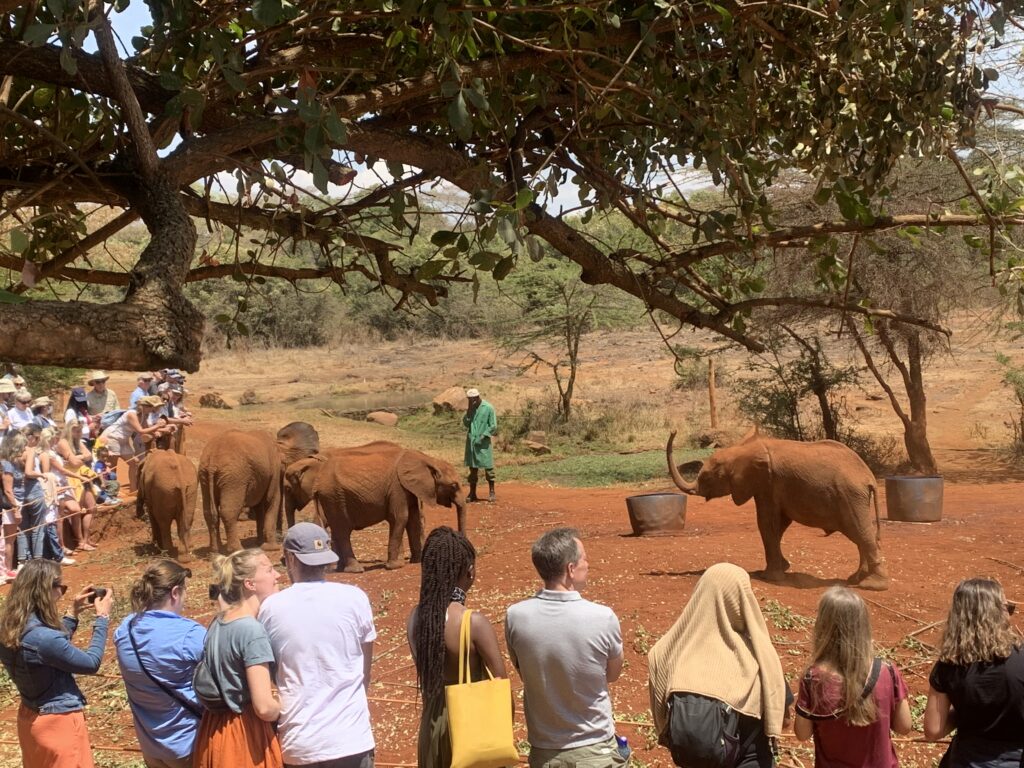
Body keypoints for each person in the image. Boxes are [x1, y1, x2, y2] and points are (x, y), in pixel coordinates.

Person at [648, 562, 790, 768]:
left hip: (694, 760)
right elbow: (783, 721)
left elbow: (662, 722)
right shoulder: (759, 655)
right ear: (742, 600)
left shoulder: (665, 651)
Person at [505, 527, 626, 767]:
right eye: (584, 559)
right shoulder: (602, 617)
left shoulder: (515, 616)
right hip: (595, 749)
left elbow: (524, 671)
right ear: (570, 569)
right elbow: (612, 674)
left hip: (544, 752)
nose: (588, 564)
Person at [260, 522, 377, 768]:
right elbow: (365, 673)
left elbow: (271, 670)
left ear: (290, 559)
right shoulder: (355, 598)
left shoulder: (271, 608)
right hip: (352, 737)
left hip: (301, 744)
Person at [407, 526, 507, 768]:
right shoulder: (473, 622)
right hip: (470, 726)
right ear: (470, 572)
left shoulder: (416, 618)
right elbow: (500, 681)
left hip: (432, 724)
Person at [0, 559, 114, 768]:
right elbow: (91, 663)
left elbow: (50, 650)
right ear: (45, 590)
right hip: (59, 723)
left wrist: (73, 613)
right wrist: (102, 617)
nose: (62, 591)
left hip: (30, 719)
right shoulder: (44, 639)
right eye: (60, 586)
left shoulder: (9, 627)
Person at [794, 586, 912, 766]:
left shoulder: (813, 678)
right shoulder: (887, 670)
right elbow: (904, 727)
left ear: (822, 627)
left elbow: (802, 734)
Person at [193, 548, 283, 768]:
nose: (278, 575)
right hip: (244, 737)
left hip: (214, 731)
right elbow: (263, 707)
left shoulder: (219, 622)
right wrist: (283, 705)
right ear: (250, 584)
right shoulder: (252, 631)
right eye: (270, 570)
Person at [114, 560, 206, 768]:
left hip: (150, 746)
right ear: (175, 592)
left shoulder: (124, 629)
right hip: (188, 743)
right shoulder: (189, 634)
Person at [924, 577, 1024, 767]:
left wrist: (965, 710)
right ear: (1000, 615)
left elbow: (933, 730)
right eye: (1008, 609)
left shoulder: (949, 665)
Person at [98, 396, 168, 495]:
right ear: (145, 406)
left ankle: (133, 490)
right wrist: (158, 426)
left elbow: (146, 429)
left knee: (134, 463)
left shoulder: (145, 415)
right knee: (113, 466)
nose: (154, 409)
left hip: (124, 440)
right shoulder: (132, 414)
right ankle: (111, 493)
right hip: (112, 438)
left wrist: (162, 430)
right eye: (152, 407)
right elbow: (140, 431)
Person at [3, 425, 50, 563]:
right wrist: (42, 475)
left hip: (19, 496)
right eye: (37, 437)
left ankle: (23, 560)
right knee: (37, 528)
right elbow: (29, 472)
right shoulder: (29, 451)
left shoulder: (8, 457)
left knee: (22, 529)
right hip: (30, 492)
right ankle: (37, 559)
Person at [55, 419, 97, 552]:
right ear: (70, 430)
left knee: (91, 508)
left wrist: (78, 457)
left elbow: (89, 456)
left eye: (80, 431)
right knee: (77, 509)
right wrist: (81, 457)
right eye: (77, 431)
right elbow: (73, 462)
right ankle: (80, 541)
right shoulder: (63, 442)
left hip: (83, 476)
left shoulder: (78, 441)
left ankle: (86, 539)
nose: (79, 433)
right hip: (71, 478)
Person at [462, 387, 497, 502]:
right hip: (472, 442)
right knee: (473, 469)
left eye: (473, 399)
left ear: (477, 398)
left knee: (489, 468)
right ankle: (472, 493)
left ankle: (492, 492)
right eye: (469, 400)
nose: (471, 401)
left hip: (483, 443)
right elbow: (466, 424)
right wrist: (468, 410)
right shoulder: (471, 409)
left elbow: (493, 426)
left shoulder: (488, 408)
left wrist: (483, 436)